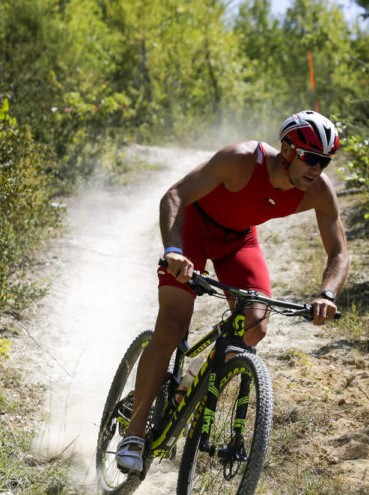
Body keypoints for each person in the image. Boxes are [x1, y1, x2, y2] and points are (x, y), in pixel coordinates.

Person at [116, 110, 350, 473]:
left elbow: (338, 251)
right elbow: (175, 194)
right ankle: (134, 432)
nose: (318, 168)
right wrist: (174, 250)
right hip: (193, 228)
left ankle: (190, 379)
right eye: (311, 158)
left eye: (325, 161)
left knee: (254, 326)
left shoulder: (318, 190)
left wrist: (328, 294)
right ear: (287, 150)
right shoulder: (241, 160)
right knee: (173, 324)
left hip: (238, 241)